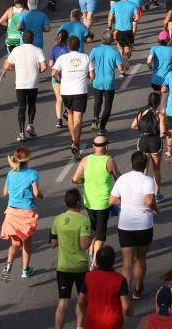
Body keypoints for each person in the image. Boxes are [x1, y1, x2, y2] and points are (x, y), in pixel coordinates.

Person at [110, 150, 158, 300]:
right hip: (144, 225)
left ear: (131, 163)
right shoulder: (148, 180)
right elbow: (149, 201)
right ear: (145, 165)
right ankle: (137, 289)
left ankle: (124, 295)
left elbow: (112, 200)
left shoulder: (122, 179)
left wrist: (126, 202)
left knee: (127, 263)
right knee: (141, 258)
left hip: (126, 225)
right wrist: (156, 209)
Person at [72, 135, 120, 267]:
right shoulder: (109, 160)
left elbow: (74, 179)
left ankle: (91, 251)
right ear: (107, 147)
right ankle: (94, 262)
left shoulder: (85, 160)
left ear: (93, 146)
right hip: (103, 203)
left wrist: (85, 180)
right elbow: (118, 178)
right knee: (101, 234)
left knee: (94, 228)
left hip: (89, 202)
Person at [50, 188, 92, 329]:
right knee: (82, 300)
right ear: (79, 203)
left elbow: (53, 244)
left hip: (63, 267)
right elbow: (84, 245)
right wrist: (92, 237)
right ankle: (79, 327)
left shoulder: (57, 219)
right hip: (80, 267)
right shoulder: (84, 220)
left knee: (63, 302)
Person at [1, 145, 42, 280]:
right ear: (27, 160)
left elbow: (5, 193)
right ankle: (25, 270)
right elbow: (36, 193)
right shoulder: (32, 173)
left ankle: (8, 264)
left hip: (12, 212)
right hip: (26, 213)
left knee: (15, 244)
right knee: (27, 241)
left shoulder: (10, 173)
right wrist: (41, 195)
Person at [52, 35, 94, 159]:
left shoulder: (62, 58)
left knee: (69, 115)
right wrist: (85, 76)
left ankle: (73, 139)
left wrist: (60, 79)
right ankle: (76, 143)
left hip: (66, 92)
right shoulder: (85, 57)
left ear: (68, 46)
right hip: (80, 91)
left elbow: (53, 73)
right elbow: (92, 76)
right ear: (79, 46)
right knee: (78, 119)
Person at [1, 28, 47, 141]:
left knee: (21, 107)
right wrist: (37, 71)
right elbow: (44, 67)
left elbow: (7, 66)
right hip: (33, 83)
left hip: (20, 83)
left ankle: (21, 133)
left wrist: (15, 68)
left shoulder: (16, 50)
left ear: (22, 38)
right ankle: (30, 125)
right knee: (32, 105)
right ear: (33, 39)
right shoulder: (38, 50)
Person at [78, 244, 133, 329]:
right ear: (112, 261)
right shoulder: (120, 280)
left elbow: (81, 301)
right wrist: (130, 312)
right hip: (112, 322)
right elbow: (125, 307)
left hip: (93, 321)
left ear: (97, 261)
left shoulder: (88, 276)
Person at [89, 30, 125, 133]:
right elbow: (121, 69)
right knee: (108, 105)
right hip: (109, 82)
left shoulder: (95, 50)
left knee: (97, 101)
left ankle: (95, 119)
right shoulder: (115, 52)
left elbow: (89, 62)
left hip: (97, 80)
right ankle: (102, 128)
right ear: (112, 40)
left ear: (102, 38)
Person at [49, 29, 69, 129]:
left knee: (58, 98)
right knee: (68, 97)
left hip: (56, 76)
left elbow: (51, 64)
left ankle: (59, 120)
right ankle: (67, 112)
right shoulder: (69, 48)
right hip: (67, 76)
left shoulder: (54, 48)